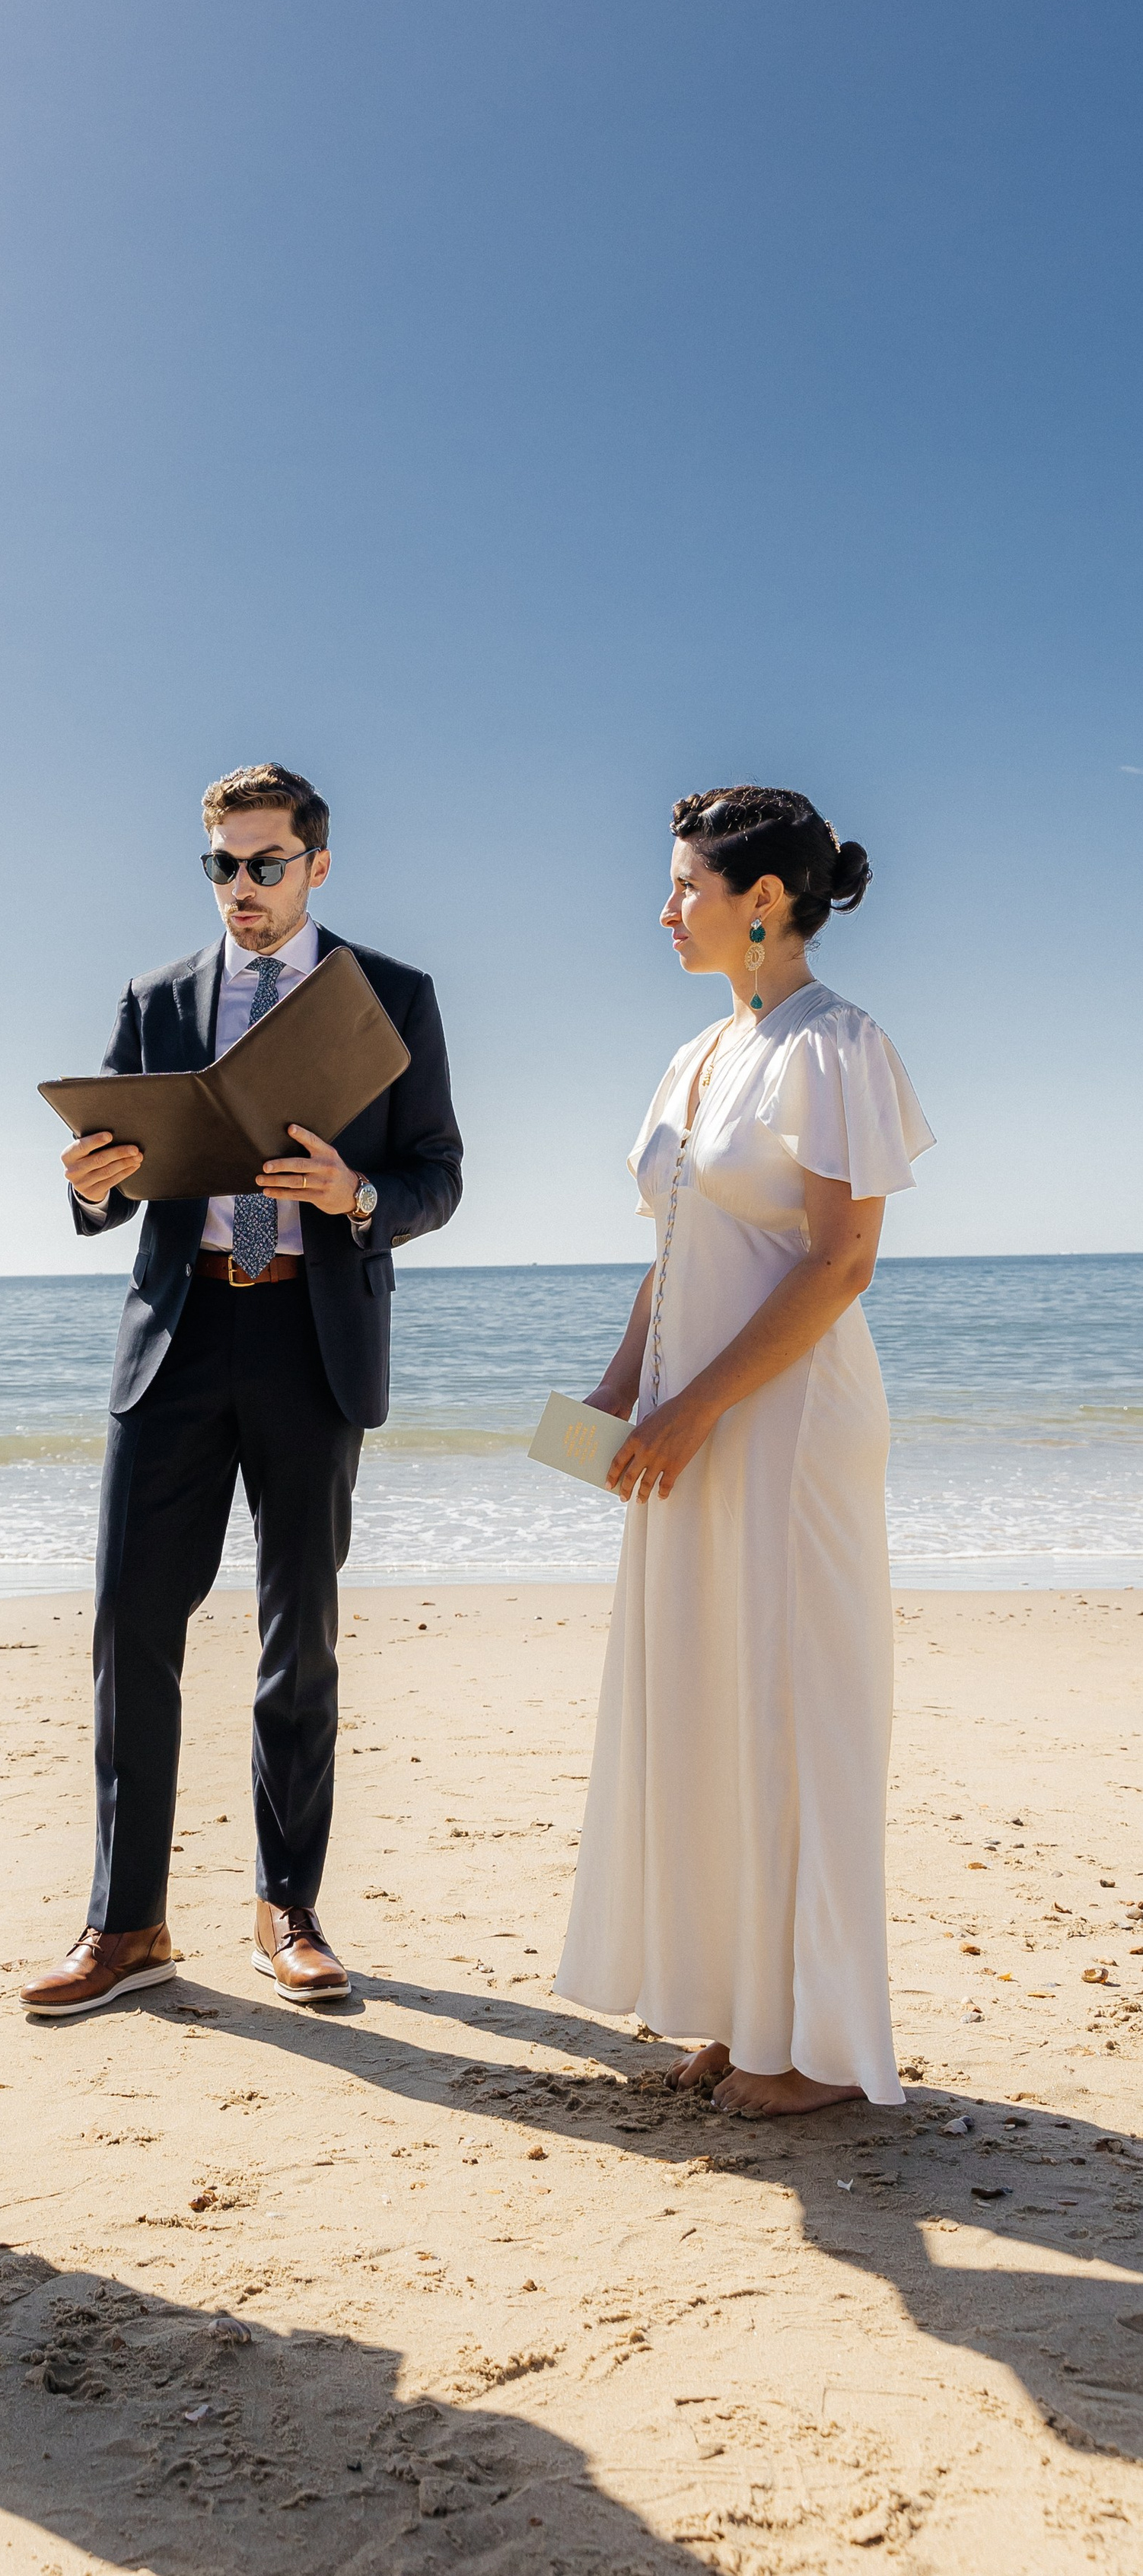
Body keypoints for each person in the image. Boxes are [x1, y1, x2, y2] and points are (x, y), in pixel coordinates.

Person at [20, 764, 463, 2019]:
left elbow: (437, 1172)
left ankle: (288, 1908)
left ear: (318, 864)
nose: (243, 889)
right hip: (177, 1332)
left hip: (312, 1335)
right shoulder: (157, 998)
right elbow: (96, 1195)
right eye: (222, 865)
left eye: (266, 864)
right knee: (130, 1628)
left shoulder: (394, 998)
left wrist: (359, 1200)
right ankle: (126, 1924)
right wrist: (95, 1178)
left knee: (297, 1637)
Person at [554, 786, 933, 2119]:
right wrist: (617, 1399)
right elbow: (676, 1252)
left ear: (761, 900)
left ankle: (816, 2044)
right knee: (705, 1696)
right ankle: (737, 2006)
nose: (664, 910)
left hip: (785, 1424)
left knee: (791, 1704)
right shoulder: (697, 1053)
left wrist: (697, 1405)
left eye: (683, 887)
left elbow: (841, 1265)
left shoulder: (839, 1044)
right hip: (690, 1419)